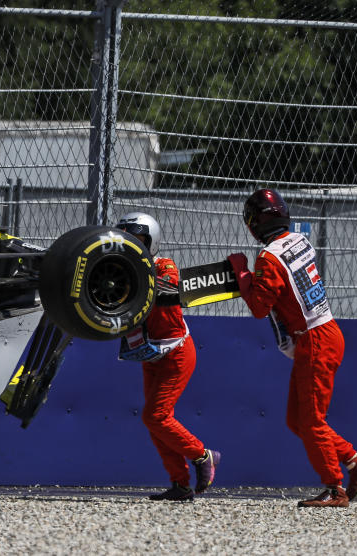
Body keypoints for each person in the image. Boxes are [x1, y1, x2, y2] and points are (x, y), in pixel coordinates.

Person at [228, 188, 357, 508]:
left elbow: (258, 306)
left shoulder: (269, 257)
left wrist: (240, 272)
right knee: (297, 420)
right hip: (326, 331)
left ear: (254, 224)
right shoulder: (299, 241)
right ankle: (355, 461)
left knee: (310, 422)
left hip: (315, 339)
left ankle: (334, 489)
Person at [116, 212, 220, 501]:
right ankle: (180, 484)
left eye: (136, 240)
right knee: (155, 420)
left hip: (175, 351)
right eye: (125, 240)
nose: (131, 246)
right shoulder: (119, 270)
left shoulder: (164, 266)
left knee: (156, 416)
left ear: (151, 241)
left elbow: (168, 288)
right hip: (149, 353)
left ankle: (203, 456)